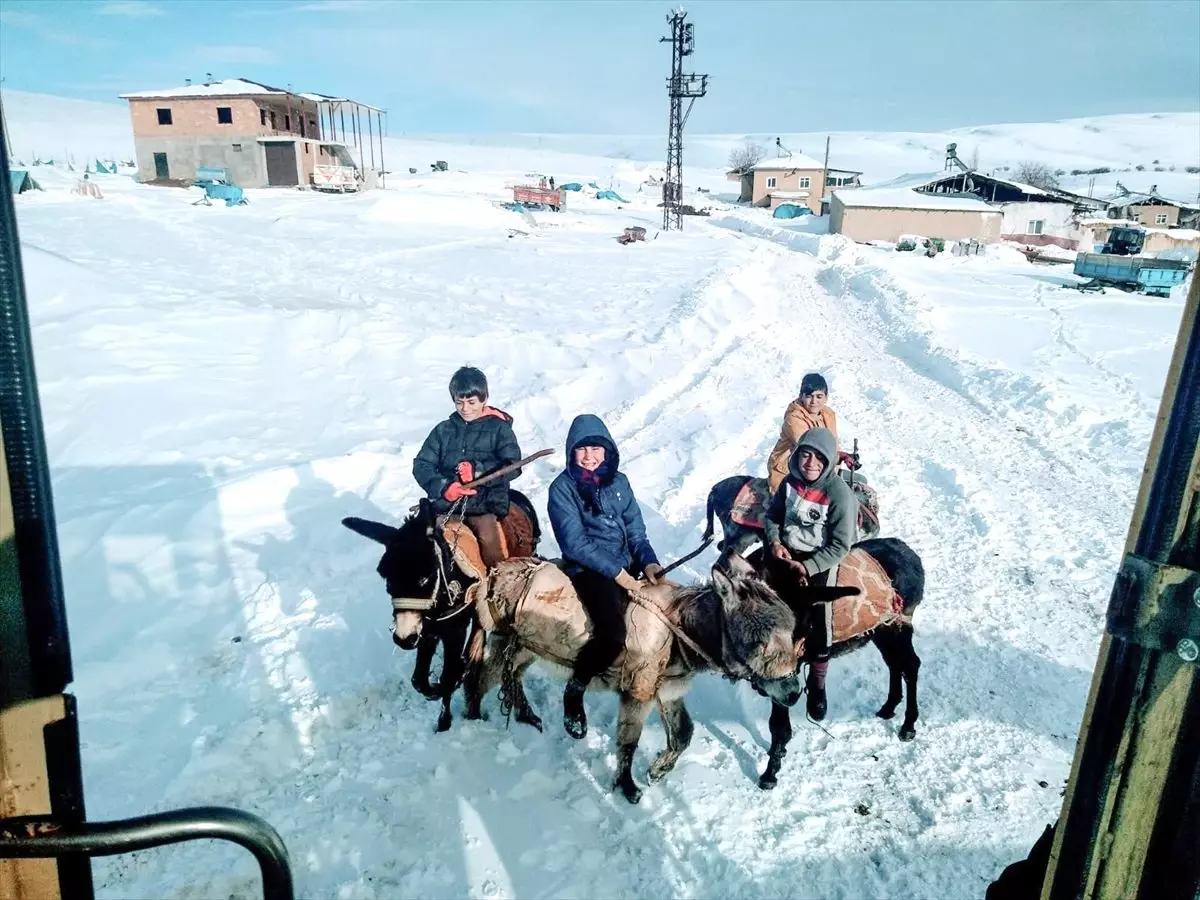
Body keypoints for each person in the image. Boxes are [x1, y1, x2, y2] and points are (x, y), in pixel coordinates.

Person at [548, 414, 664, 739]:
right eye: (582, 450)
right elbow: (575, 544)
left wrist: (650, 562)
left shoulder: (619, 482)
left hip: (628, 565)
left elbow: (636, 530)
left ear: (607, 450)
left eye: (595, 449)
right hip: (589, 569)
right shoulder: (562, 489)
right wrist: (620, 576)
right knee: (613, 634)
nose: (589, 456)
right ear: (572, 452)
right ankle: (576, 689)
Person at [763, 427, 856, 721]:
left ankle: (817, 684)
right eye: (805, 455)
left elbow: (842, 543)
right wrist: (775, 542)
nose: (810, 463)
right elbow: (772, 516)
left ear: (829, 461)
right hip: (785, 553)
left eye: (819, 457)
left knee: (820, 618)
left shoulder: (839, 494)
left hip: (818, 559)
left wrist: (810, 566)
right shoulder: (789, 483)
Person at [412, 366, 522, 570]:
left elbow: (513, 465)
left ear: (484, 399)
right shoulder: (443, 430)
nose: (465, 408)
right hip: (447, 505)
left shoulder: (499, 429)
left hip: (485, 505)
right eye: (459, 402)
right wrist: (444, 487)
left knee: (491, 547)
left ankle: (497, 586)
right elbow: (422, 464)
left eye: (471, 402)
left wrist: (478, 471)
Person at [767, 373, 840, 495]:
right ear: (801, 396)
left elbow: (833, 443)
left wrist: (842, 456)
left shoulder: (828, 414)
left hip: (819, 467)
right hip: (791, 469)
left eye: (819, 396)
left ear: (826, 398)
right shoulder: (794, 418)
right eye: (809, 396)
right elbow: (812, 448)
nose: (814, 401)